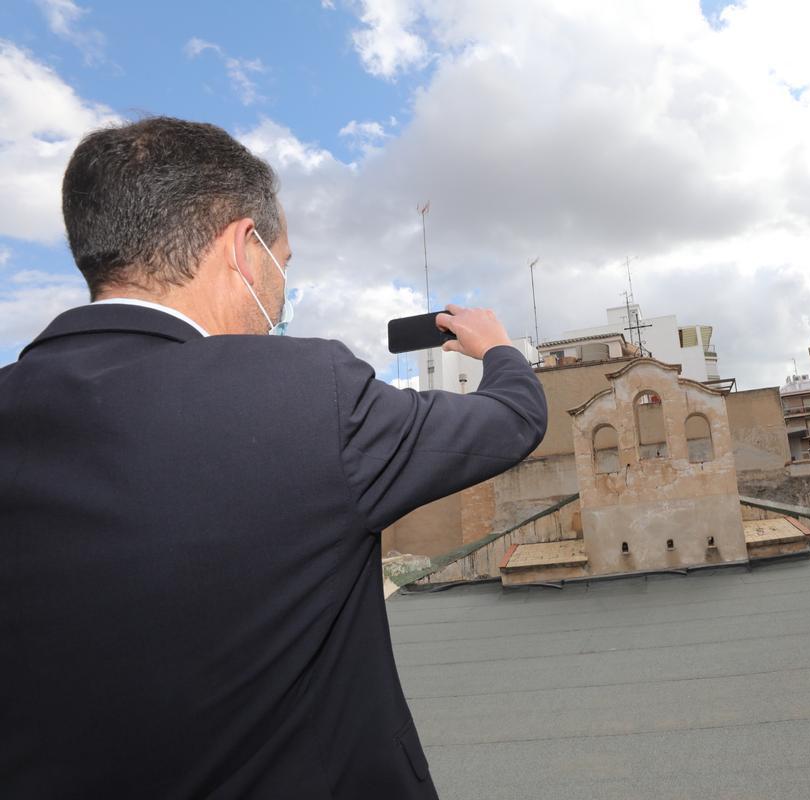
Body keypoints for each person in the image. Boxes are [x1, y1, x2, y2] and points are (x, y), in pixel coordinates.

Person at [0, 116, 547, 798]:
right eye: (283, 262)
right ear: (242, 246)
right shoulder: (306, 395)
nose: (283, 285)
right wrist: (497, 349)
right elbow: (513, 420)